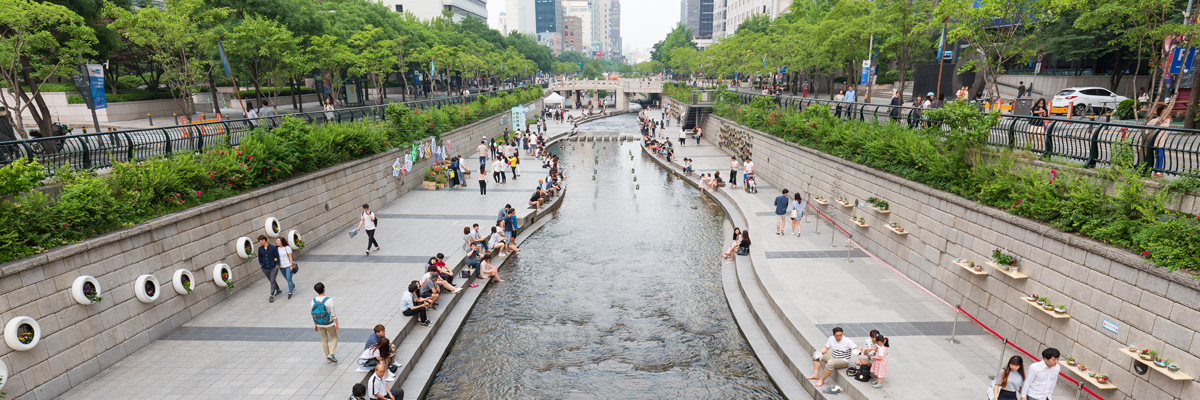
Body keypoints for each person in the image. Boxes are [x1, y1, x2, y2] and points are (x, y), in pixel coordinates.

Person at [312, 282, 339, 363]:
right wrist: (336, 324)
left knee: (324, 339)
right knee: (334, 337)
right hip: (329, 323)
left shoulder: (313, 301)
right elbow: (333, 313)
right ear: (324, 288)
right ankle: (332, 354)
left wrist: (315, 324)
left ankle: (327, 357)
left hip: (319, 323)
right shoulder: (329, 300)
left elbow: (313, 314)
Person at [256, 235, 280, 302]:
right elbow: (259, 258)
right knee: (271, 280)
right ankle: (278, 289)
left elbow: (277, 256)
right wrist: (261, 264)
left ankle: (272, 295)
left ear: (264, 240)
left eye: (260, 241)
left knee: (272, 280)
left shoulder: (273, 248)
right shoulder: (260, 249)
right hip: (265, 268)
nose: (260, 243)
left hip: (273, 267)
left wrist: (277, 264)